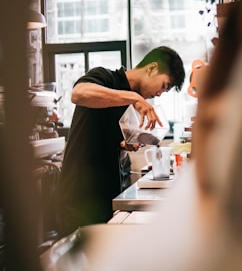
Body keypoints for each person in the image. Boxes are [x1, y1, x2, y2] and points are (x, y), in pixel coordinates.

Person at [55, 46, 185, 237]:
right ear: (152, 68)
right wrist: (133, 97)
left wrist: (124, 144)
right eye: (164, 86)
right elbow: (79, 93)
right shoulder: (105, 77)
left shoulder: (128, 106)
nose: (159, 94)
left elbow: (102, 136)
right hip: (78, 198)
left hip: (104, 198)